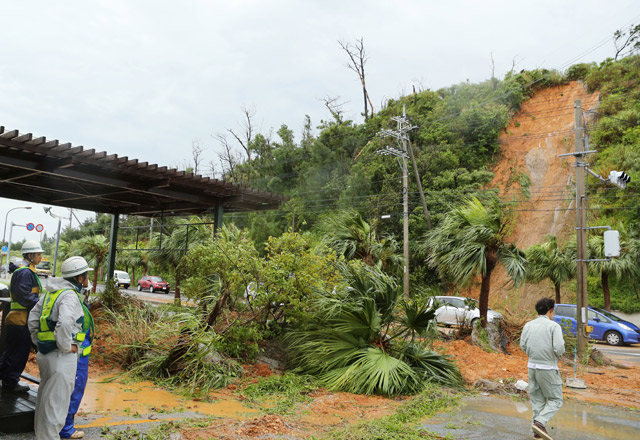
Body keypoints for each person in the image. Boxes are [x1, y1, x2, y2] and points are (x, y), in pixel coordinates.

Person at [28, 256, 93, 440]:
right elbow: (64, 323)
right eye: (86, 276)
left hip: (46, 354)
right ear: (80, 278)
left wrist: (37, 342)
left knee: (45, 403)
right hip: (61, 358)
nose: (88, 280)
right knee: (56, 406)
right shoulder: (70, 296)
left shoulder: (51, 293)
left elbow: (32, 319)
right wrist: (66, 347)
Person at [0, 241, 44, 393]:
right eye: (38, 254)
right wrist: (42, 306)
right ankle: (11, 381)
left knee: (11, 351)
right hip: (22, 320)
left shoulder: (24, 271)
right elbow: (25, 296)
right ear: (30, 255)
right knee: (19, 352)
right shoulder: (25, 272)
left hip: (18, 319)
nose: (41, 256)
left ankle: (5, 377)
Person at [520, 297, 565, 440]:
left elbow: (523, 345)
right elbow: (558, 348)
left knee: (537, 399)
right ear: (550, 311)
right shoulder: (554, 326)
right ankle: (540, 423)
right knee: (556, 399)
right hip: (548, 367)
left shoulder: (528, 325)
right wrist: (558, 355)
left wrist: (532, 355)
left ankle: (537, 432)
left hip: (532, 366)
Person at [59, 274, 94, 440]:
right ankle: (66, 428)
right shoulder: (73, 301)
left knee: (71, 388)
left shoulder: (75, 300)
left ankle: (63, 424)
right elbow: (66, 325)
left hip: (77, 354)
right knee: (74, 389)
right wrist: (68, 346)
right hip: (76, 355)